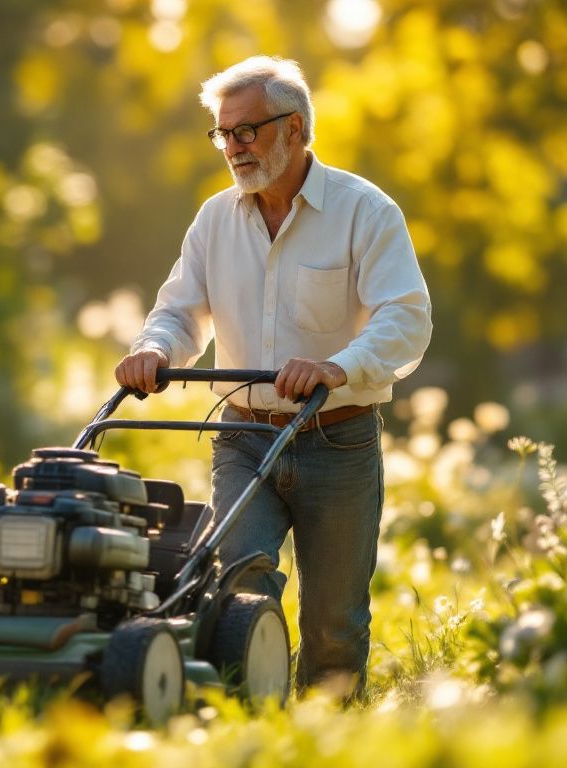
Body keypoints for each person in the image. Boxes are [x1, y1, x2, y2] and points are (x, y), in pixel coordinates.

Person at [114, 56, 432, 700]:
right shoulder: (214, 220)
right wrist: (152, 348)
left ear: (295, 128)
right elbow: (180, 312)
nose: (231, 147)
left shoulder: (364, 211)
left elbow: (406, 319)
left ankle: (324, 739)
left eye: (246, 131)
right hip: (244, 437)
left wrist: (336, 366)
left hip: (338, 440)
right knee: (237, 586)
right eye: (223, 133)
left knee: (334, 628)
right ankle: (248, 726)